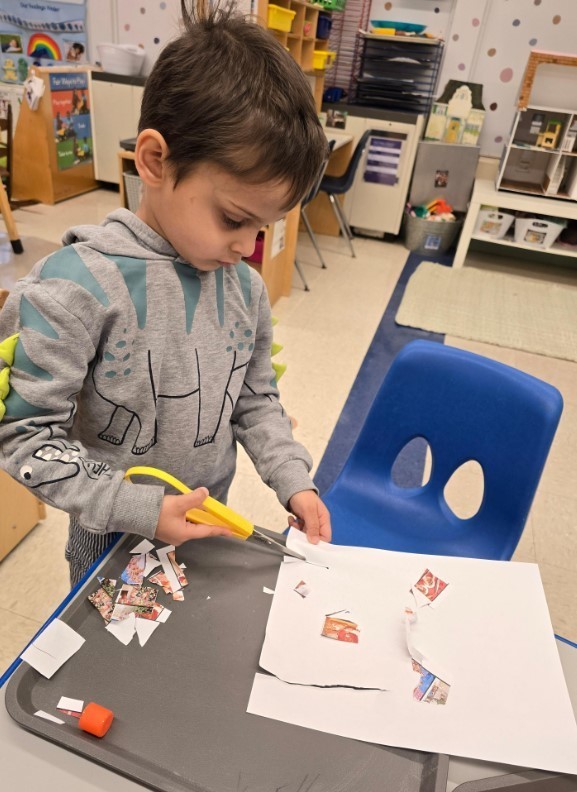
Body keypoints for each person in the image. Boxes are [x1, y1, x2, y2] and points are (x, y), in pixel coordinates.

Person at [0, 0, 331, 587]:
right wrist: (141, 510)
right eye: (233, 219)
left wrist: (293, 479)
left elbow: (254, 399)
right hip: (110, 546)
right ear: (155, 160)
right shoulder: (72, 289)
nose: (249, 247)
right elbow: (26, 436)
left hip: (205, 535)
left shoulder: (245, 291)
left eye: (264, 226)